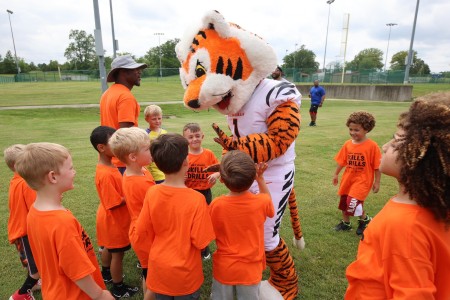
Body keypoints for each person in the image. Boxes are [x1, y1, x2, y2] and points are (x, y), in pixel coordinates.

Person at [345, 93, 450, 299]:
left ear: (422, 155)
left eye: (395, 140)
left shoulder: (405, 227)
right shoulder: (432, 209)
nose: (385, 146)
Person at [14, 142, 113, 300]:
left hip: (54, 291)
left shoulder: (34, 211)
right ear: (53, 176)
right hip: (76, 295)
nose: (74, 172)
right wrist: (100, 295)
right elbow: (77, 271)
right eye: (71, 168)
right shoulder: (61, 222)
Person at [135, 133, 215, 300]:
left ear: (156, 163)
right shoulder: (197, 199)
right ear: (186, 162)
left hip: (159, 268)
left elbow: (141, 230)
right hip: (186, 274)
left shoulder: (152, 192)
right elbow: (201, 241)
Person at [210, 150, 274, 300]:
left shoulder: (216, 205)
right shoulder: (261, 202)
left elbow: (209, 232)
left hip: (224, 267)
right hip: (250, 269)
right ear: (252, 178)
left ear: (222, 180)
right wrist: (261, 180)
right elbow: (269, 204)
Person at [90, 126, 137, 298]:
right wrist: (131, 194)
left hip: (108, 218)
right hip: (113, 220)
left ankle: (106, 274)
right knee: (118, 254)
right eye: (114, 142)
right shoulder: (106, 174)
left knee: (109, 248)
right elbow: (114, 202)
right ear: (101, 147)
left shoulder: (109, 166)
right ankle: (118, 287)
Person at [108, 127, 155, 296]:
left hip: (143, 230)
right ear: (133, 157)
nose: (152, 150)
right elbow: (154, 209)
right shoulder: (138, 183)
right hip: (145, 234)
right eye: (147, 148)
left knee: (148, 272)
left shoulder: (140, 171)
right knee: (153, 278)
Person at [332, 111, 381, 235]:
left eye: (357, 130)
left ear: (366, 130)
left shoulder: (372, 146)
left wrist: (377, 182)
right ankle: (346, 223)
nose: (353, 133)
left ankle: (365, 220)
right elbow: (342, 161)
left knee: (353, 203)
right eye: (351, 129)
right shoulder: (347, 144)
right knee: (344, 202)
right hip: (348, 179)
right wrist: (336, 174)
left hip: (363, 180)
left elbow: (377, 166)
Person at [100, 54, 148, 173]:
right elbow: (125, 134)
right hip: (124, 161)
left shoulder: (107, 93)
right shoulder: (125, 97)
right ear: (123, 72)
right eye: (135, 69)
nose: (139, 72)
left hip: (111, 158)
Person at [4, 144, 40, 300]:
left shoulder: (16, 180)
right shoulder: (26, 184)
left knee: (33, 263)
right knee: (37, 267)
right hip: (25, 232)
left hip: (21, 230)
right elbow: (37, 209)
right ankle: (21, 294)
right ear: (15, 166)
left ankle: (37, 283)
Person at [183, 122, 220, 260]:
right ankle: (190, 246)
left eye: (197, 136)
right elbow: (176, 173)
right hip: (188, 193)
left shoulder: (208, 154)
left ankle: (204, 248)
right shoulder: (184, 155)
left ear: (202, 136)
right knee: (189, 221)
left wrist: (215, 175)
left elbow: (219, 169)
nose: (194, 139)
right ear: (185, 140)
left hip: (204, 193)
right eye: (190, 137)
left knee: (202, 222)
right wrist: (182, 176)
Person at [144, 104, 167, 184]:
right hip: (154, 173)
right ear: (147, 119)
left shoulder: (164, 132)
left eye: (159, 118)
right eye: (154, 119)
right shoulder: (145, 135)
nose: (157, 121)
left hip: (165, 171)